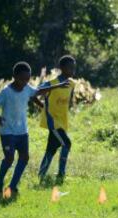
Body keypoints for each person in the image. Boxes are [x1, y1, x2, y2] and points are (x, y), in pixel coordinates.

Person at [0, 62, 68, 199]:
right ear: (14, 76)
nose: (24, 82)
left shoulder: (27, 88)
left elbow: (38, 92)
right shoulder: (6, 92)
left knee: (24, 157)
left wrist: (58, 86)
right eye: (22, 79)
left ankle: (12, 186)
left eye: (27, 79)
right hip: (8, 132)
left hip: (22, 131)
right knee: (9, 158)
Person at [38, 55, 76, 184]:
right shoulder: (52, 83)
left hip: (63, 122)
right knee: (67, 143)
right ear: (62, 68)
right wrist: (41, 105)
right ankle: (61, 174)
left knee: (51, 148)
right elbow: (38, 91)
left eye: (74, 67)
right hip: (53, 122)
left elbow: (70, 100)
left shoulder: (72, 83)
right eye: (70, 68)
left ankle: (41, 174)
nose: (73, 70)